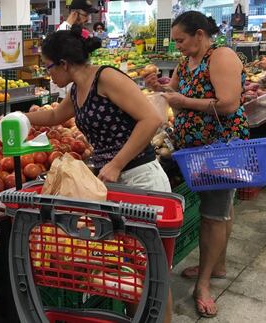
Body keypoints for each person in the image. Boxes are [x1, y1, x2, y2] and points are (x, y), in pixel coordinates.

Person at [26, 25, 173, 322]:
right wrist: (16, 118)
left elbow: (151, 119)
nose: (48, 75)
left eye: (49, 68)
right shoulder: (77, 89)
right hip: (114, 186)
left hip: (140, 179)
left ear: (64, 64)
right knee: (129, 271)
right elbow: (56, 116)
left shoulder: (106, 77)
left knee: (152, 272)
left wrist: (116, 162)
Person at [145, 11, 250, 318]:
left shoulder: (222, 56)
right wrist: (156, 87)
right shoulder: (185, 61)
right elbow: (171, 95)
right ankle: (216, 265)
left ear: (200, 34)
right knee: (220, 209)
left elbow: (229, 103)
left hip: (221, 146)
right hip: (195, 147)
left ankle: (203, 286)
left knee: (213, 215)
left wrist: (184, 102)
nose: (177, 46)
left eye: (181, 40)